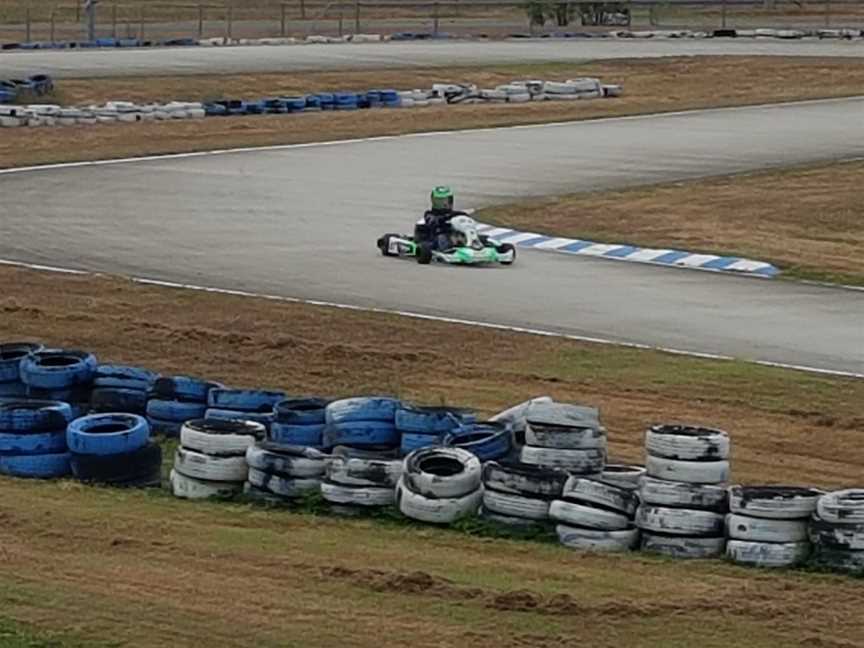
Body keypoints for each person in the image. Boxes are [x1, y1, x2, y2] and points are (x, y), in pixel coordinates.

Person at [421, 186, 470, 250]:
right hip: (438, 236)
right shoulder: (429, 214)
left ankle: (474, 245)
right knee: (442, 238)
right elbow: (432, 221)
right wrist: (444, 218)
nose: (444, 204)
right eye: (440, 202)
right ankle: (448, 250)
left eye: (446, 201)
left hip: (455, 235)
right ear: (434, 202)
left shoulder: (455, 214)